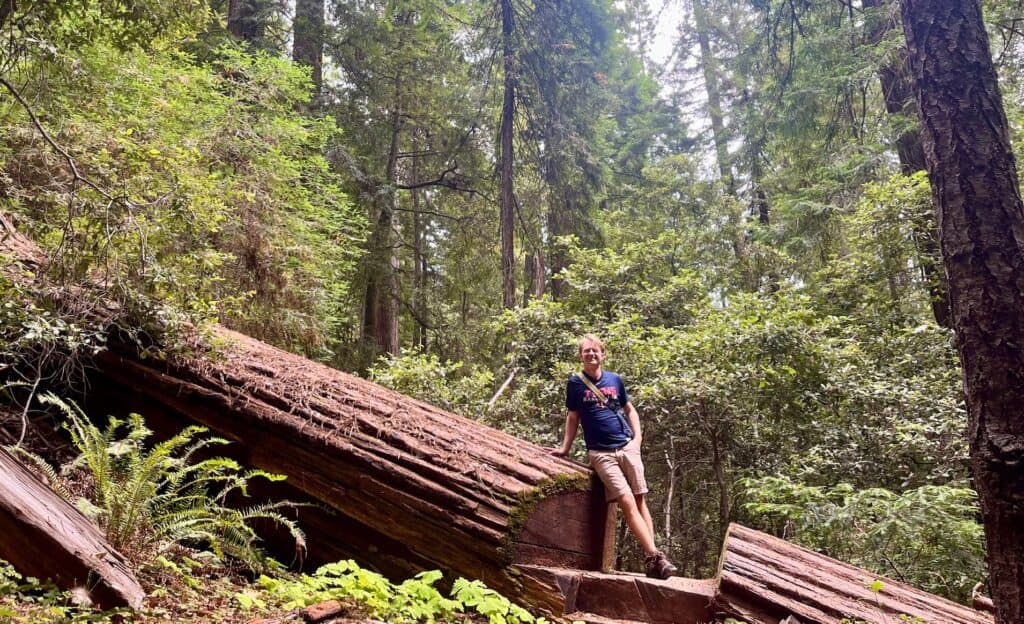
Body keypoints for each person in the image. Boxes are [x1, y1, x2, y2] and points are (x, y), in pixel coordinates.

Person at [550, 334, 678, 579]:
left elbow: (630, 410)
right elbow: (573, 416)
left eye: (595, 350)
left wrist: (637, 439)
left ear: (603, 354)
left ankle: (653, 561)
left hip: (627, 446)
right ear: (581, 356)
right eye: (586, 351)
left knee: (641, 501)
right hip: (601, 453)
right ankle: (655, 557)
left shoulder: (615, 380)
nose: (591, 354)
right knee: (627, 500)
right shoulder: (575, 384)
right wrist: (565, 448)